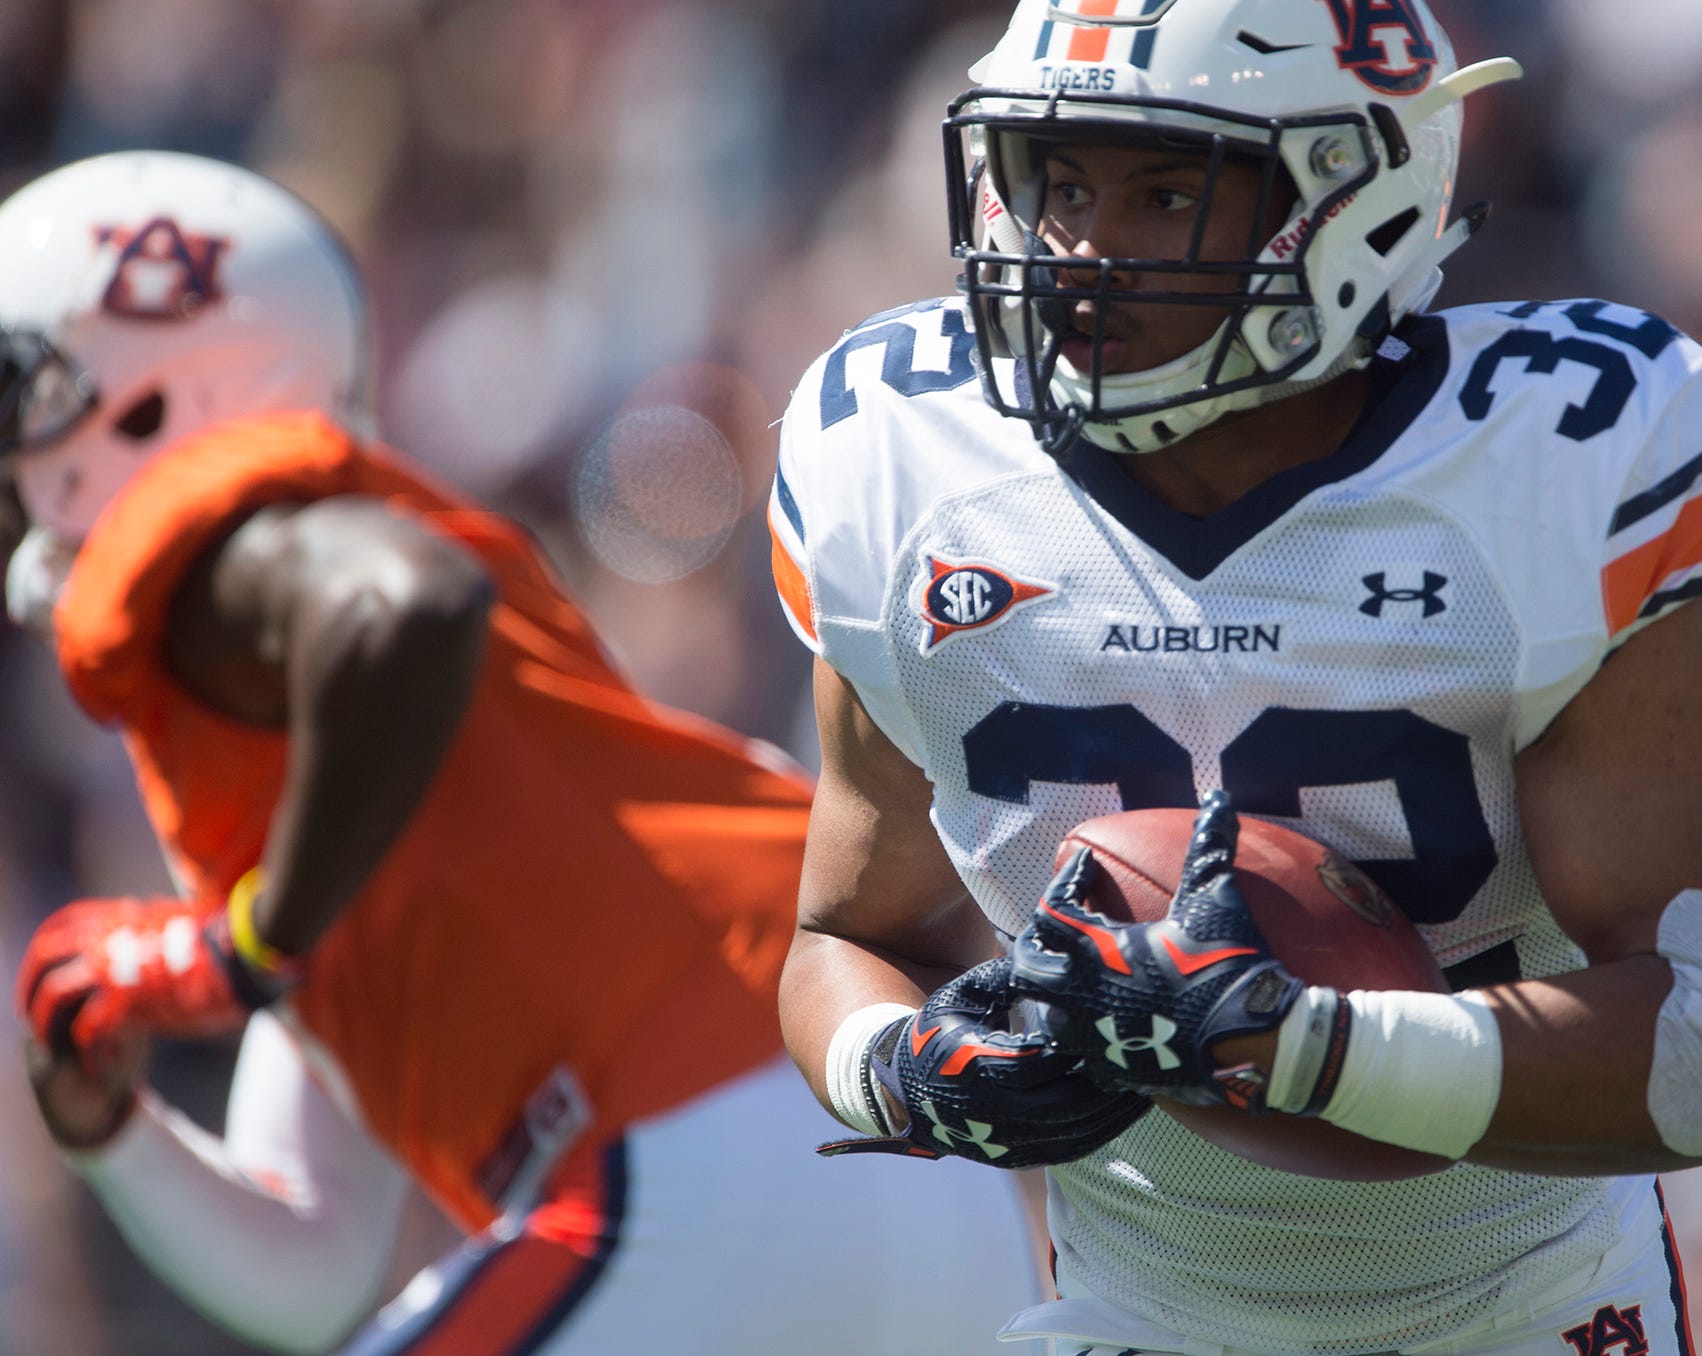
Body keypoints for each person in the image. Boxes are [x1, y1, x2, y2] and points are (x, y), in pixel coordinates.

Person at [771, 2, 1702, 1355]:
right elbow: (841, 940)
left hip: (1520, 1313)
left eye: (1165, 191)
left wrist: (1308, 1048)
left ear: (1352, 198)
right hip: (1129, 1311)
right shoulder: (902, 464)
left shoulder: (1556, 466)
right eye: (1061, 182)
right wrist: (902, 1071)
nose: (1083, 249)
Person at [2, 152, 1038, 1355]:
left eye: (22, 390)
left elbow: (405, 608)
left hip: (718, 1128)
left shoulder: (234, 549)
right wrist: (110, 1127)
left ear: (151, 391)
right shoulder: (327, 786)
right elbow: (312, 1265)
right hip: (870, 1159)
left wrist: (237, 950)